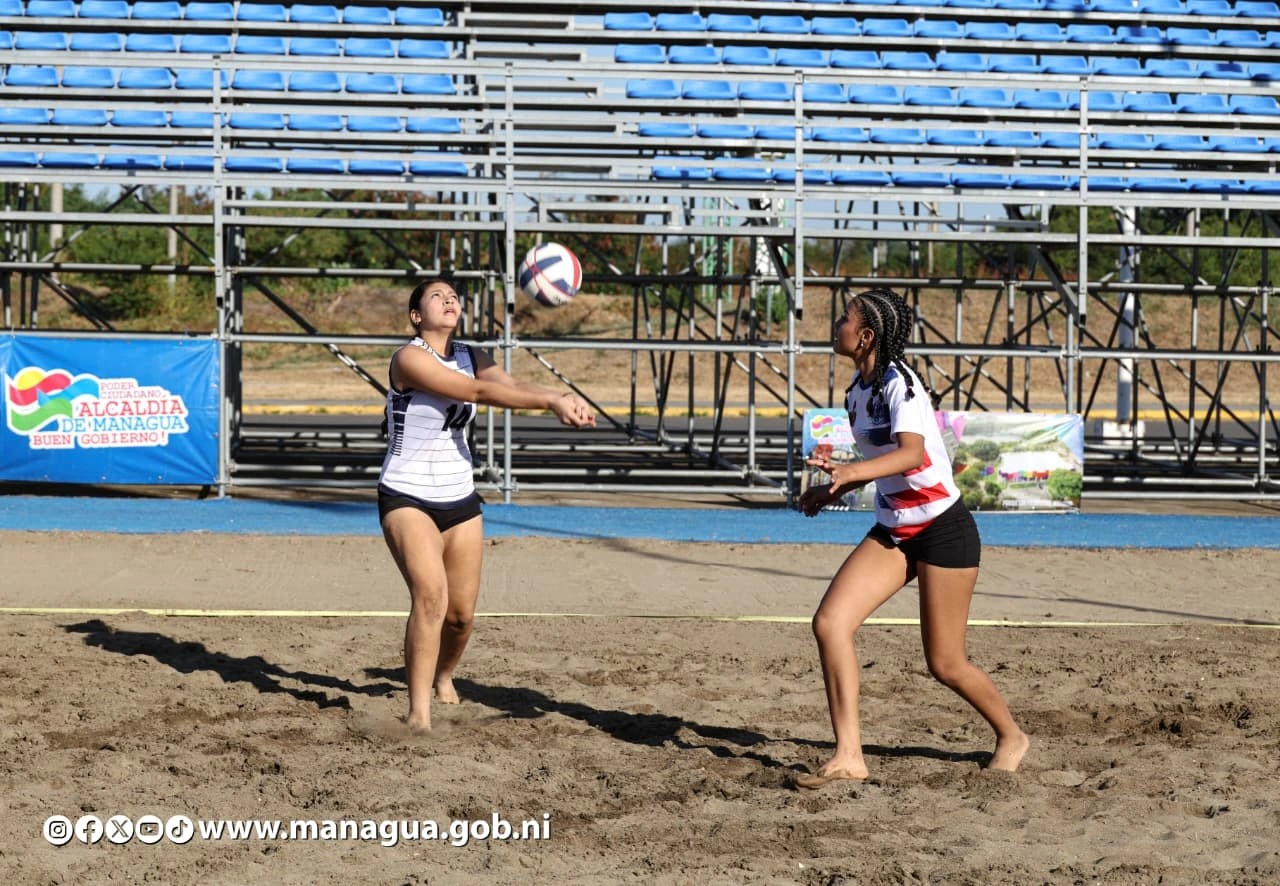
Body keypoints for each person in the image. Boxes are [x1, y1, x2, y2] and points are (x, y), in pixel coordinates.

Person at [793, 287, 1028, 788]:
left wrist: (853, 473)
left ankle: (1011, 736)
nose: (836, 325)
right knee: (830, 623)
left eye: (844, 319)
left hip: (944, 529)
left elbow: (911, 456)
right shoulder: (858, 391)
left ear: (866, 335)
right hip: (896, 530)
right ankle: (849, 756)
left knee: (945, 663)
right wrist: (830, 487)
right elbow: (883, 467)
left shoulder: (904, 385)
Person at [377, 276, 595, 731]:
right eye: (437, 296)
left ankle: (444, 675)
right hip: (406, 494)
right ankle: (418, 714)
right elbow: (477, 394)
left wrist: (559, 398)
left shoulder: (472, 356)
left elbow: (506, 385)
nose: (449, 299)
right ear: (417, 316)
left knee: (460, 618)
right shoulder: (409, 357)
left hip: (459, 497)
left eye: (454, 295)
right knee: (431, 597)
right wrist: (552, 399)